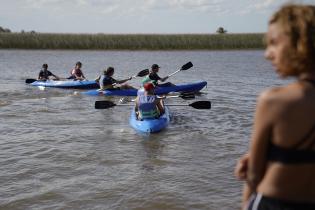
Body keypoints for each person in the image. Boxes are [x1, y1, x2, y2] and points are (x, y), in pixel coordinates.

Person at [235, 4, 315, 210]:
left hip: (274, 203)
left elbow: (253, 174)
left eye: (274, 43)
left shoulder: (273, 101)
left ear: (301, 44)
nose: (267, 54)